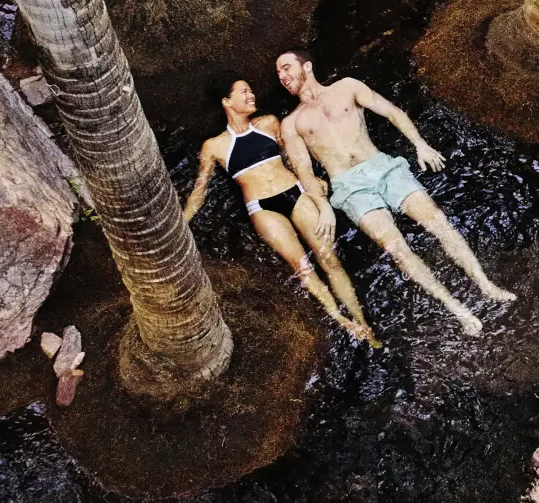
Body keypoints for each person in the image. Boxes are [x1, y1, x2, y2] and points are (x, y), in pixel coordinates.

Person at [276, 49, 515, 336]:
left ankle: (486, 285)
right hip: (349, 187)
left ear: (307, 66)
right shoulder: (292, 123)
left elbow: (391, 111)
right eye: (278, 73)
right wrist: (323, 205)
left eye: (286, 68)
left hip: (383, 167)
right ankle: (457, 309)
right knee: (396, 247)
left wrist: (420, 145)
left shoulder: (347, 86)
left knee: (438, 222)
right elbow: (303, 170)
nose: (282, 76)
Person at [184, 78, 376, 345]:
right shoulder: (214, 146)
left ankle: (362, 321)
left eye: (251, 90)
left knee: (328, 258)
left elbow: (293, 158)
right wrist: (182, 223)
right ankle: (343, 321)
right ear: (227, 102)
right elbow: (200, 190)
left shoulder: (269, 123)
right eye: (244, 92)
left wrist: (314, 181)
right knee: (302, 267)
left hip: (295, 192)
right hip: (262, 208)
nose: (251, 95)